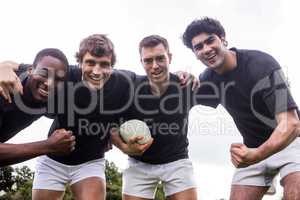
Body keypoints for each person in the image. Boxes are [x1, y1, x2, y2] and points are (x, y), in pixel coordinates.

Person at [182, 17, 300, 200]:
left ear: (223, 39)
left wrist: (257, 154)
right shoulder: (208, 80)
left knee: (295, 192)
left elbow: (291, 124)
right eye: (198, 47)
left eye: (210, 40)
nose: (206, 49)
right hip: (253, 148)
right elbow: (175, 100)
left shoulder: (262, 64)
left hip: (290, 141)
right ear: (195, 54)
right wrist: (175, 79)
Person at [111, 35, 198, 200]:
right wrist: (123, 147)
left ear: (170, 57)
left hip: (176, 161)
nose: (155, 66)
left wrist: (194, 76)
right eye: (148, 61)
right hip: (139, 164)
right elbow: (112, 127)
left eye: (160, 59)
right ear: (141, 62)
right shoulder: (130, 89)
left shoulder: (186, 85)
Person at [0, 48, 75, 167]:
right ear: (30, 70)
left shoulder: (56, 96)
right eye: (44, 74)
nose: (49, 83)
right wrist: (48, 145)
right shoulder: (4, 90)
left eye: (57, 79)